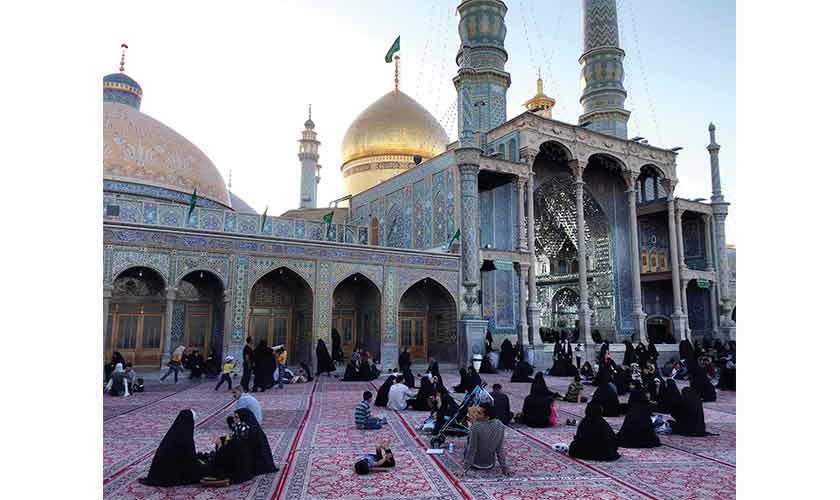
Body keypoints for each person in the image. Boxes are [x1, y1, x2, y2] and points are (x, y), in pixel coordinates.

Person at [138, 409, 202, 486]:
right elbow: (190, 459)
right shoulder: (185, 438)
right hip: (170, 475)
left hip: (158, 473)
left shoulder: (173, 433)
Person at [463, 403, 511, 476]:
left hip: (475, 464)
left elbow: (472, 449)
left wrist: (464, 469)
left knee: (468, 443)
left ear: (487, 417)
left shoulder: (476, 427)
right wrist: (504, 467)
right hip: (490, 464)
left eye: (479, 413)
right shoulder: (500, 425)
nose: (475, 414)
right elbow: (500, 449)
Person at [235, 408, 279, 475]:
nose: (234, 419)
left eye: (236, 417)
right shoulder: (247, 426)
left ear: (243, 417)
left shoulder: (249, 429)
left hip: (254, 462)